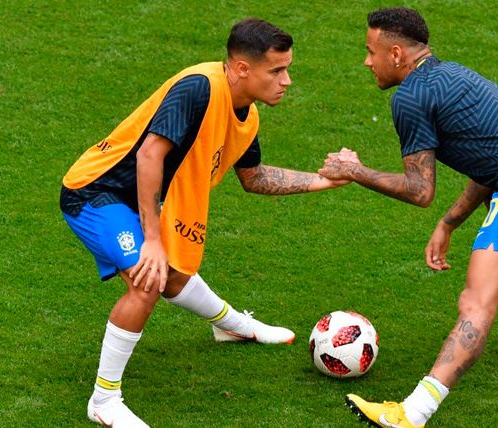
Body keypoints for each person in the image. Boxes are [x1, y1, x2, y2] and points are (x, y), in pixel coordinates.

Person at [60, 19, 346, 427]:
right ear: (243, 69)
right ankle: (104, 401)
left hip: (141, 194)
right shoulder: (198, 88)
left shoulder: (245, 114)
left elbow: (255, 178)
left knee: (173, 275)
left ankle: (233, 326)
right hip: (97, 193)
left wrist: (325, 181)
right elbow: (148, 156)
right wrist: (153, 239)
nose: (287, 81)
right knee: (149, 277)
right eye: (277, 71)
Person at [318, 7, 498, 428]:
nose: (367, 62)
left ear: (395, 54)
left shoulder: (409, 98)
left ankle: (411, 414)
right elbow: (491, 163)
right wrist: (449, 224)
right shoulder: (455, 75)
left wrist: (353, 170)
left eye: (371, 52)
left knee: (475, 303)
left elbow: (418, 189)